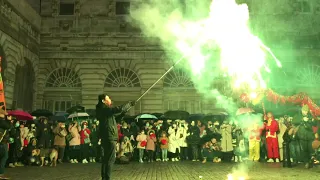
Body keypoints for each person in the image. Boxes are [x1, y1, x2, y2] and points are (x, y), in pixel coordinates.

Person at [96, 94, 135, 180]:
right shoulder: (104, 109)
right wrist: (128, 104)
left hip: (108, 136)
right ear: (103, 100)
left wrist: (124, 112)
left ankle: (105, 177)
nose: (110, 99)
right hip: (109, 137)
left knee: (106, 159)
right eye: (108, 98)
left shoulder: (103, 110)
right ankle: (107, 178)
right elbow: (117, 109)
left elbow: (115, 118)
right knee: (110, 159)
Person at [0, 109, 12, 179]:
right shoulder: (2, 121)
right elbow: (9, 127)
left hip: (2, 141)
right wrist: (9, 120)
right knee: (4, 157)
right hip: (2, 142)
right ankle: (0, 174)